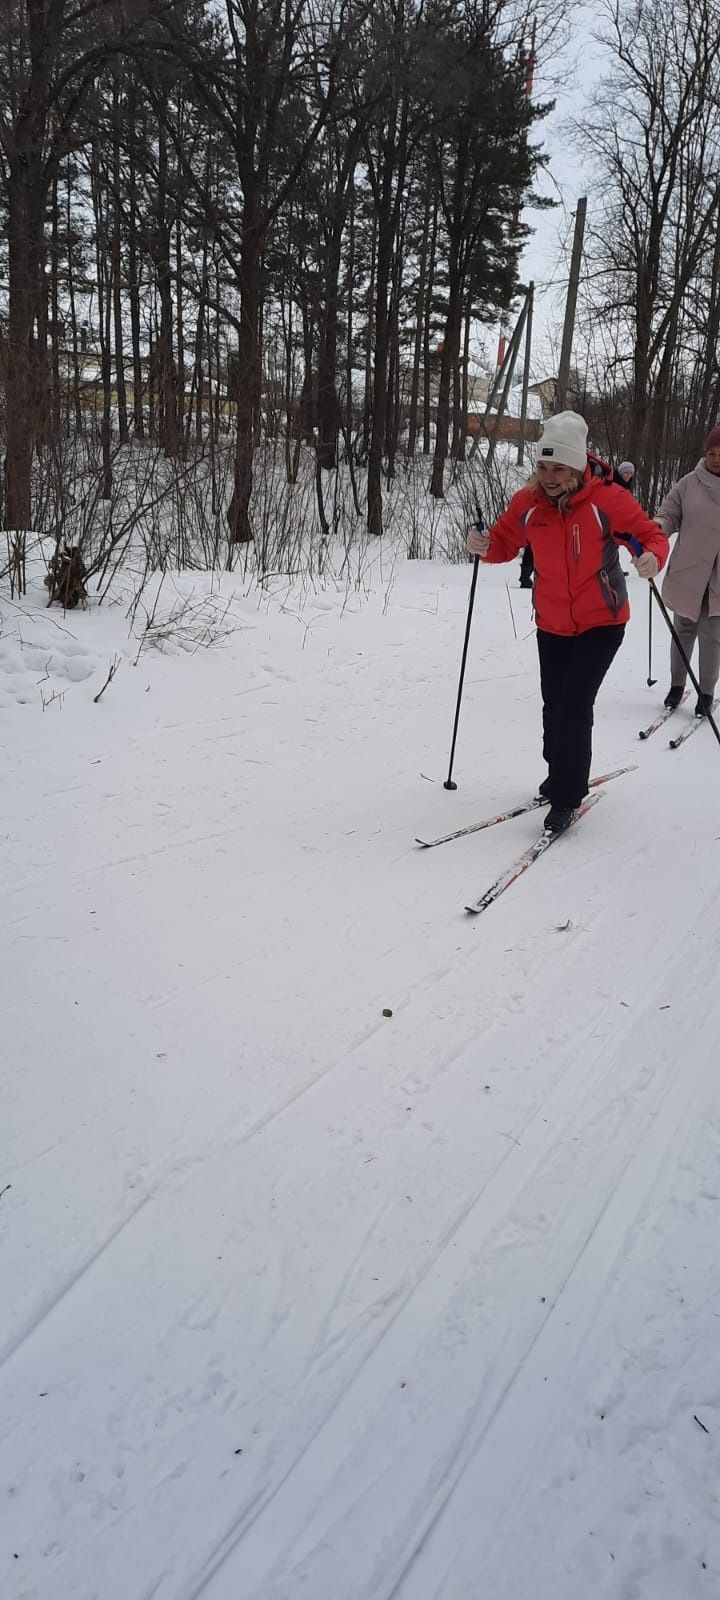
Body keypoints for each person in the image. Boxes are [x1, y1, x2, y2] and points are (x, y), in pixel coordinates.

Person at [467, 411, 669, 833]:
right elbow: (503, 542)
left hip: (603, 621)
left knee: (574, 705)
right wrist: (482, 545)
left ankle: (566, 795)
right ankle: (558, 772)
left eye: (558, 467)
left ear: (577, 466)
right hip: (553, 622)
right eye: (542, 466)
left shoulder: (606, 501)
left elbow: (649, 536)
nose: (549, 476)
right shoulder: (530, 503)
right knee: (553, 704)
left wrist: (650, 557)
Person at [655, 426, 720, 718]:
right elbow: (668, 513)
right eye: (711, 453)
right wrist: (657, 529)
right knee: (683, 630)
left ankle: (706, 693)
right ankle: (677, 686)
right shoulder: (689, 483)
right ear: (704, 454)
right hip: (689, 571)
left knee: (712, 635)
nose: (716, 458)